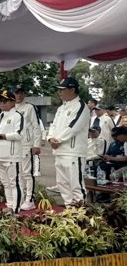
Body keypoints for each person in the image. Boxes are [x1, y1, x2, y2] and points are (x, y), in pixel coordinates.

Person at [47, 77, 90, 207]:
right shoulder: (61, 108)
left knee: (76, 186)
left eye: (62, 90)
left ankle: (81, 217)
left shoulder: (81, 106)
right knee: (63, 185)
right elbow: (53, 125)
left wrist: (58, 140)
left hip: (73, 152)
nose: (60, 93)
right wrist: (50, 138)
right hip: (59, 151)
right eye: (59, 90)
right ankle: (69, 213)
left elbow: (73, 127)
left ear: (72, 90)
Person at [0, 90, 24, 215]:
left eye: (5, 101)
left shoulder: (17, 116)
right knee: (5, 183)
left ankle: (16, 209)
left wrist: (1, 136)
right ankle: (9, 205)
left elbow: (19, 134)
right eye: (0, 101)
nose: (2, 104)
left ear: (13, 102)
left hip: (12, 155)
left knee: (15, 183)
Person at [13, 84, 43, 211]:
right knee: (17, 173)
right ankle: (20, 197)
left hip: (27, 144)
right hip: (14, 145)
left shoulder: (29, 107)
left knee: (27, 173)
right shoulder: (11, 108)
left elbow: (36, 126)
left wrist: (36, 144)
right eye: (16, 93)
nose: (19, 95)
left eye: (21, 92)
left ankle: (29, 199)